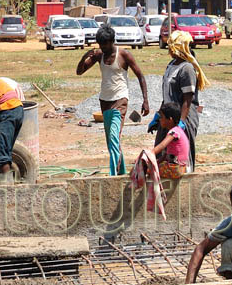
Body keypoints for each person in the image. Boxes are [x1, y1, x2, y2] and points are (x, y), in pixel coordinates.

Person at [76, 25, 150, 176]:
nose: (102, 47)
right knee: (111, 141)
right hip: (105, 101)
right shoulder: (99, 55)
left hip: (120, 100)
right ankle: (121, 171)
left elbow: (140, 76)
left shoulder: (124, 55)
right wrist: (85, 56)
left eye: (105, 44)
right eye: (100, 44)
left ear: (112, 41)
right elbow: (79, 72)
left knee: (114, 136)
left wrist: (145, 100)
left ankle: (113, 175)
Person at [160, 24, 207, 170]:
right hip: (168, 116)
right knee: (163, 152)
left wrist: (181, 123)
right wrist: (159, 115)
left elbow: (188, 99)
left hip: (183, 116)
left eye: (171, 46)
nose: (168, 49)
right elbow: (167, 92)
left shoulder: (186, 69)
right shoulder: (171, 65)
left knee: (182, 156)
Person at [152, 102, 189, 180]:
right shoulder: (179, 130)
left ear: (170, 119)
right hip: (181, 167)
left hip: (176, 169)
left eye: (162, 117)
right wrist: (156, 161)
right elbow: (166, 154)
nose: (160, 120)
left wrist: (149, 154)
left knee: (149, 170)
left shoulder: (173, 132)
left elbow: (162, 146)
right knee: (155, 166)